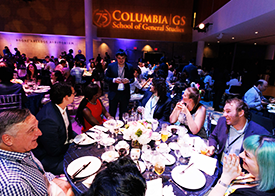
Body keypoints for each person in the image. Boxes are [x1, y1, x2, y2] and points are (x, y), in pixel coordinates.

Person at [0, 109, 73, 196]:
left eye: (37, 127)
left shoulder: (20, 149)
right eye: (31, 130)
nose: (40, 133)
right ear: (8, 139)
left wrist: (54, 180)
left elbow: (40, 172)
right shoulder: (13, 185)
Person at [33, 82, 77, 175]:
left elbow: (68, 131)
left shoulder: (61, 106)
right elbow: (53, 150)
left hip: (61, 147)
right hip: (51, 159)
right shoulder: (49, 120)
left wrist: (80, 139)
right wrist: (73, 147)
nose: (75, 95)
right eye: (73, 93)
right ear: (66, 97)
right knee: (80, 165)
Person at [208, 135, 275, 196]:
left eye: (247, 155)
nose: (240, 155)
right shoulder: (258, 177)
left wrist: (225, 178)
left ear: (264, 166)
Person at [104, 49, 134, 119]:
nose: (121, 60)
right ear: (116, 58)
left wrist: (128, 80)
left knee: (123, 113)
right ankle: (111, 127)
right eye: (119, 58)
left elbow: (132, 79)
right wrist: (114, 80)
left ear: (125, 58)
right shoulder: (111, 66)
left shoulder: (129, 66)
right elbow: (105, 78)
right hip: (114, 93)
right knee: (112, 113)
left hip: (124, 93)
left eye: (123, 58)